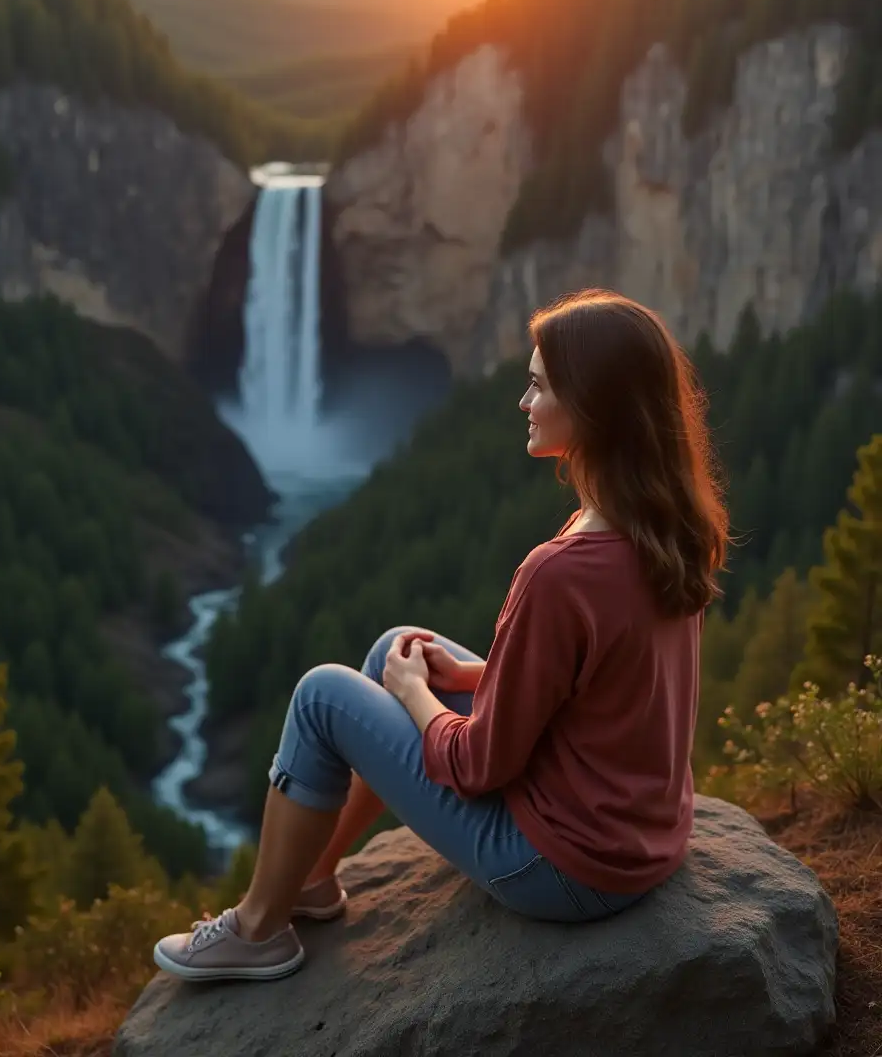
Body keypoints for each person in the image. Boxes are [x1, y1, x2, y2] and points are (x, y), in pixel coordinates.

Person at [153, 287, 730, 982]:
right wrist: (467, 678)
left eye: (539, 386)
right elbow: (606, 684)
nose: (524, 402)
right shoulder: (669, 532)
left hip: (558, 868)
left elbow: (477, 767)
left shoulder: (560, 573)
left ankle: (256, 930)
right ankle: (309, 880)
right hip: (638, 839)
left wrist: (416, 696)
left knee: (322, 697)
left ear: (593, 409)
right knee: (395, 645)